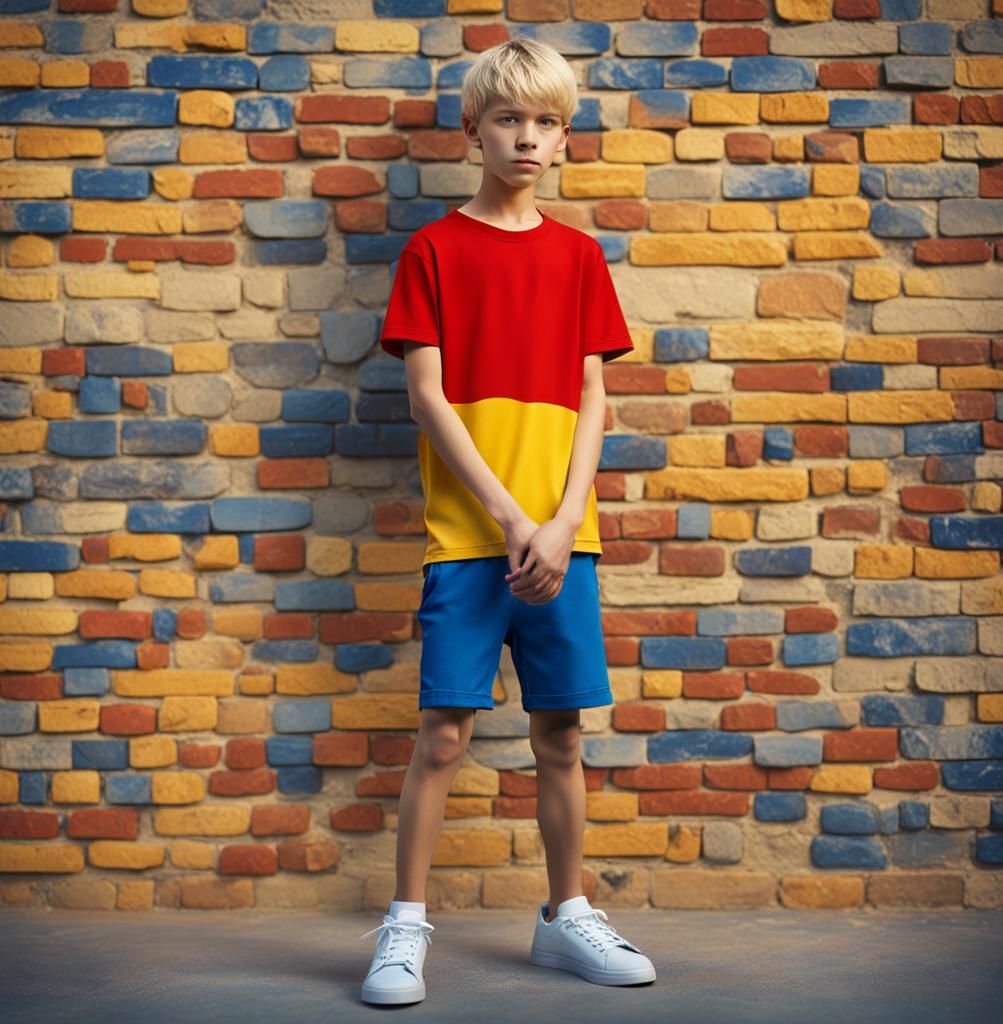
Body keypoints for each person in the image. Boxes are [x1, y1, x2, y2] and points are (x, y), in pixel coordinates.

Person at [360, 37, 657, 1006]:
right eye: (508, 119)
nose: (527, 137)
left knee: (560, 734)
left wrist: (562, 518)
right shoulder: (434, 250)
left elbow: (592, 398)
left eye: (545, 122)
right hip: (471, 539)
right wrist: (506, 514)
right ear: (473, 130)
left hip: (562, 539)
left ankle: (566, 918)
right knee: (444, 733)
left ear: (563, 136)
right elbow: (427, 398)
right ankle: (403, 930)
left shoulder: (578, 256)